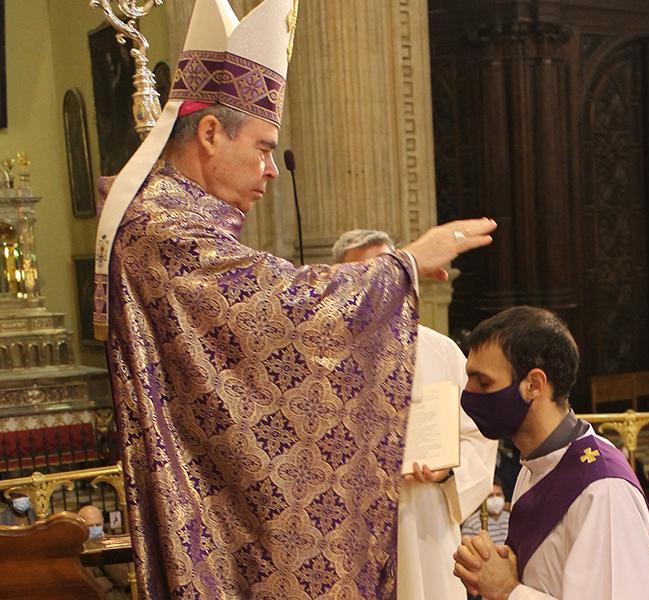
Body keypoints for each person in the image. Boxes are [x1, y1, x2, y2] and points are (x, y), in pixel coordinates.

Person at [91, 1, 496, 598]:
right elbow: (286, 306)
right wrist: (405, 263)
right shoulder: (163, 225)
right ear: (209, 133)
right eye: (262, 147)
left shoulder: (178, 219)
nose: (272, 170)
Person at [452, 306, 649, 599]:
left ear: (534, 384)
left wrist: (508, 590)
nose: (468, 395)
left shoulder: (603, 489)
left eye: (483, 381)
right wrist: (497, 571)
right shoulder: (536, 463)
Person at [333, 229, 497, 600]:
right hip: (351, 526)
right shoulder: (325, 358)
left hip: (423, 520)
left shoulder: (442, 352)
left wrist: (448, 474)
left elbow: (478, 436)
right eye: (366, 276)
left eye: (389, 273)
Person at [461, 480, 510, 546]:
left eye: (498, 495)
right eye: (490, 496)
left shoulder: (511, 518)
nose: (495, 499)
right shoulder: (471, 524)